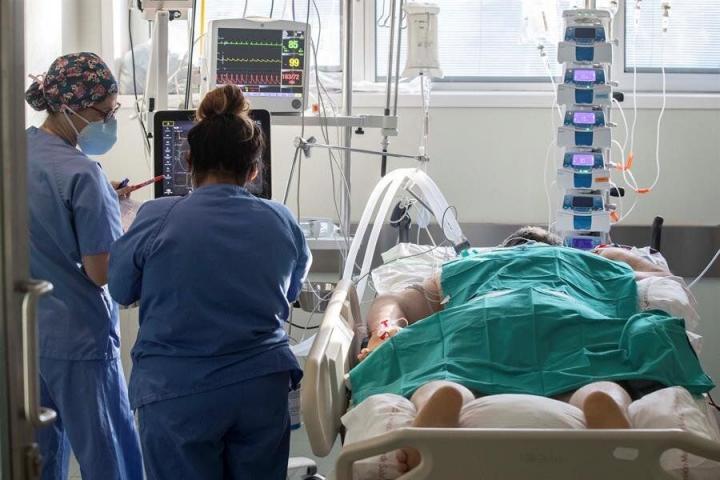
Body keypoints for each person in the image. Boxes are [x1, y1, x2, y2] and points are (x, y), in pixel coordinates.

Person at [350, 227, 714, 471]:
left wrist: (384, 331)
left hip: (479, 329)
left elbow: (394, 300)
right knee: (599, 381)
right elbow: (664, 283)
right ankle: (601, 402)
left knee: (442, 372)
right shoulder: (589, 263)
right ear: (556, 247)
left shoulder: (469, 264)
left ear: (505, 248)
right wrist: (615, 253)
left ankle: (444, 398)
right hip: (575, 329)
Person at [108, 85, 309, 479]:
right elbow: (289, 293)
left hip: (179, 393)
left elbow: (120, 288)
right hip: (261, 388)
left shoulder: (157, 216)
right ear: (254, 170)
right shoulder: (282, 219)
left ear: (189, 161)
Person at [24, 52, 142, 480]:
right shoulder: (83, 176)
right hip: (79, 340)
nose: (109, 122)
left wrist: (102, 201)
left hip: (25, 337)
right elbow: (101, 272)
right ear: (70, 108)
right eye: (104, 113)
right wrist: (121, 219)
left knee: (38, 457)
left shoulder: (17, 152)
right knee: (109, 456)